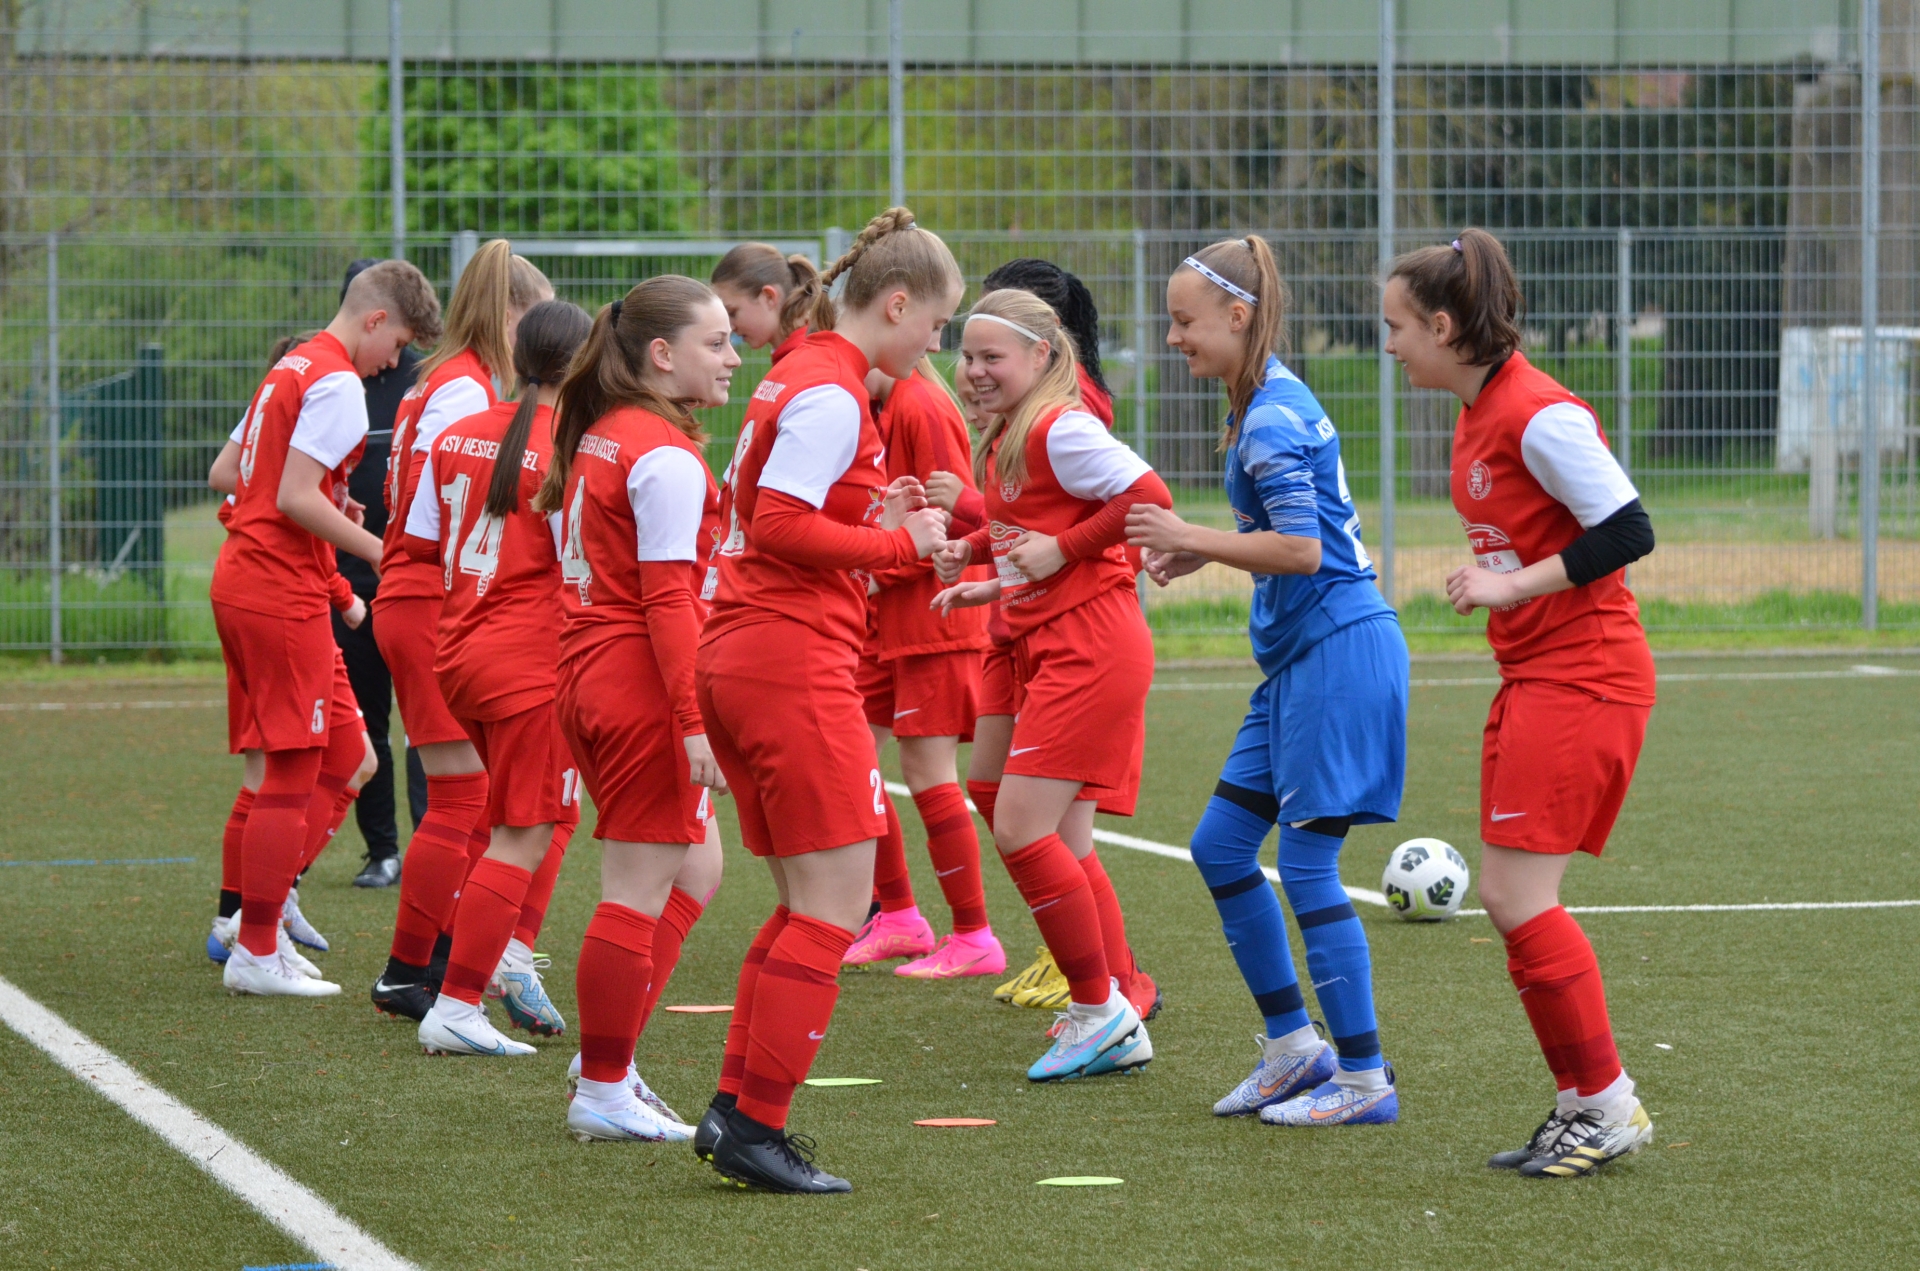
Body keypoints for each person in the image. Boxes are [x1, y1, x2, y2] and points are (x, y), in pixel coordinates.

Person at [689, 207, 956, 1194]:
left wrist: (874, 519)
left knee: (809, 899)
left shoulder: (804, 376)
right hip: (785, 654)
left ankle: (733, 1108)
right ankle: (758, 1123)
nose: (937, 345)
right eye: (935, 325)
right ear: (895, 304)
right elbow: (780, 526)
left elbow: (779, 513)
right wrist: (901, 547)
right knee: (837, 905)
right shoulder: (833, 386)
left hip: (755, 648)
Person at [1384, 228, 1657, 1177]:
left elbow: (1629, 527)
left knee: (1514, 895)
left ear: (1446, 326)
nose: (1388, 345)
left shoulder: (1538, 413)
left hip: (1586, 674)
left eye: (1397, 326)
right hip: (1540, 674)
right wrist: (1502, 581)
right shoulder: (1477, 408)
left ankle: (1608, 1103)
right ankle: (1588, 1101)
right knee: (1511, 895)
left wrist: (1512, 584)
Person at [1127, 237, 1408, 1128]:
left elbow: (1303, 550)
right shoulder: (1260, 402)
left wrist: (1192, 536)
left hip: (1339, 655)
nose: (1173, 337)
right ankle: (1294, 1049)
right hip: (1301, 662)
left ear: (1237, 317)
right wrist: (1199, 549)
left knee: (1310, 863)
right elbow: (1288, 541)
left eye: (1183, 321)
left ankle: (1363, 1080)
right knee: (1219, 846)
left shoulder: (1272, 417)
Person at [929, 286, 1171, 1084]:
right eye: (966, 356)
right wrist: (982, 568)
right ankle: (1114, 989)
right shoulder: (1011, 431)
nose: (972, 371)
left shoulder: (1062, 427)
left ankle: (1102, 1011)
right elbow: (1024, 535)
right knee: (1004, 798)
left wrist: (1063, 552)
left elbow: (1151, 497)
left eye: (990, 356)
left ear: (1042, 356)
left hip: (1090, 646)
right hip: (1043, 637)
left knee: (1025, 828)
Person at [534, 275, 739, 1143]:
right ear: (662, 355)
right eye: (717, 341)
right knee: (636, 889)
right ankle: (605, 1085)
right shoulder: (658, 450)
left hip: (592, 671)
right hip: (636, 685)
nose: (734, 358)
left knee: (697, 870)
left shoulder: (607, 436)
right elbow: (666, 599)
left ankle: (605, 1060)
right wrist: (695, 722)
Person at [209, 260, 441, 997]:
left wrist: (337, 546)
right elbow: (291, 494)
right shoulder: (337, 378)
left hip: (281, 583)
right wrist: (380, 550)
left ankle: (260, 920)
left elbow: (243, 475)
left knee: (350, 754)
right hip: (275, 588)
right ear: (375, 320)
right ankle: (253, 942)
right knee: (292, 769)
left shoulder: (298, 364)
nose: (397, 362)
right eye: (399, 342)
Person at [400, 298, 592, 1057]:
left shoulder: (457, 433)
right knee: (523, 832)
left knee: (506, 821)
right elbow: (581, 572)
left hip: (457, 651)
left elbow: (418, 541)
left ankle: (457, 982)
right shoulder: (571, 451)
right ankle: (460, 998)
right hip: (526, 662)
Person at [369, 240, 553, 1023]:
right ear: (509, 314)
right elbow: (436, 525)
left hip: (423, 591)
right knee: (464, 797)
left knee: (468, 795)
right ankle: (420, 967)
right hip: (432, 597)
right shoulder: (465, 392)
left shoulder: (443, 383)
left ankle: (440, 957)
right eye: (531, 317)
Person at [843, 353, 1005, 981]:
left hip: (936, 619)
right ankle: (901, 917)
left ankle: (973, 934)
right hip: (898, 622)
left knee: (928, 770)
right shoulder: (889, 403)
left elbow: (951, 530)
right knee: (853, 756)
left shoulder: (919, 404)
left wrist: (871, 575)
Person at [332, 259, 430, 889]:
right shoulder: (331, 379)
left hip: (413, 580)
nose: (393, 358)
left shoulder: (428, 381)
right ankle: (382, 851)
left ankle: (430, 843)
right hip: (352, 581)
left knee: (427, 722)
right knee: (366, 720)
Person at [710, 242, 823, 364]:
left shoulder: (808, 359)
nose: (730, 327)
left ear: (769, 297)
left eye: (732, 313)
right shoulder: (792, 354)